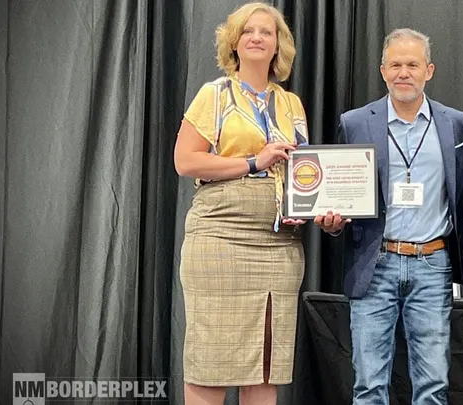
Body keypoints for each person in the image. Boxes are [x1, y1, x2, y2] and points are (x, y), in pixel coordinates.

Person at [315, 28, 463, 405]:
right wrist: (334, 222)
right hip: (376, 262)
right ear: (383, 70)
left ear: (429, 70)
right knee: (369, 385)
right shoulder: (355, 122)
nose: (404, 72)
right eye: (396, 64)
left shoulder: (457, 124)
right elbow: (342, 192)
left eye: (413, 64)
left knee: (433, 385)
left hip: (433, 264)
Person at [173, 3, 309, 405]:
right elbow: (186, 161)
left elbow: (303, 171)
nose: (256, 37)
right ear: (234, 42)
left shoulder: (291, 104)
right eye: (247, 31)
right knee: (210, 363)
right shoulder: (214, 94)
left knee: (266, 364)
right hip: (220, 239)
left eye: (266, 32)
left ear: (277, 46)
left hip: (279, 247)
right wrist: (254, 161)